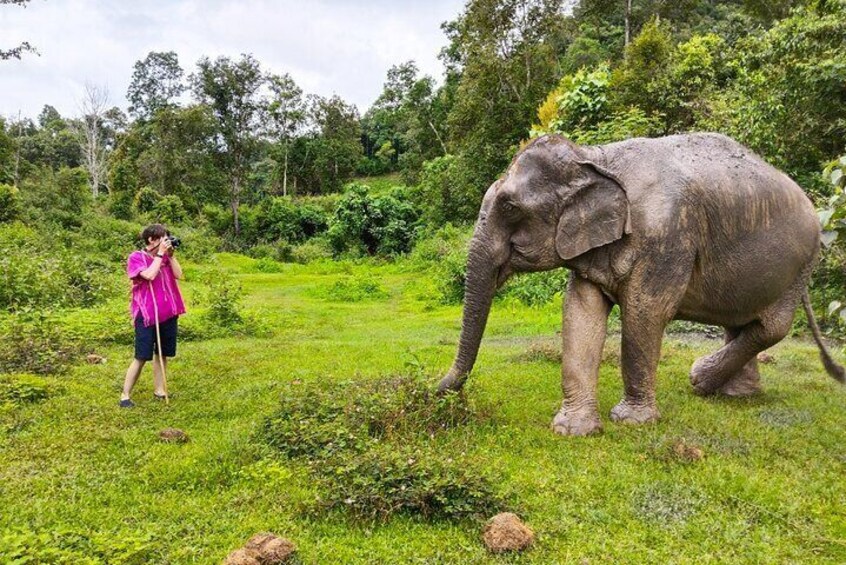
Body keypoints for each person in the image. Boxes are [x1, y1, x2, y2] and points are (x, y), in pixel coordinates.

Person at [120, 223, 186, 407]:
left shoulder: (165, 257)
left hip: (168, 312)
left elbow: (179, 275)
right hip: (147, 313)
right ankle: (125, 395)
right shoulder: (136, 257)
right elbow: (148, 275)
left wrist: (170, 257)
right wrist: (159, 255)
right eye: (163, 238)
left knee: (162, 353)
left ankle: (159, 389)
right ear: (151, 239)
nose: (166, 242)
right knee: (141, 356)